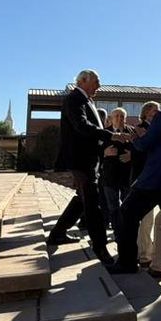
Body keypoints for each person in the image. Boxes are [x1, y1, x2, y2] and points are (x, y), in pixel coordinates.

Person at [107, 88, 161, 291]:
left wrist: (134, 138)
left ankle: (127, 262)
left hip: (156, 180)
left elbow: (146, 144)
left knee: (126, 213)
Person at [47, 70, 119, 264]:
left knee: (82, 198)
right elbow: (81, 125)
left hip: (88, 160)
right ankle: (100, 248)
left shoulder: (87, 100)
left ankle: (57, 234)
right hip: (79, 160)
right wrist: (110, 135)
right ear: (83, 81)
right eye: (96, 81)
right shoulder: (74, 98)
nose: (99, 86)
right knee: (92, 202)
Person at [129, 101, 160, 268]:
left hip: (155, 180)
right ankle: (144, 256)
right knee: (146, 220)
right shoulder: (140, 128)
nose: (158, 113)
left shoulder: (155, 129)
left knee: (151, 221)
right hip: (144, 179)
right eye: (155, 110)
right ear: (146, 112)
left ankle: (147, 250)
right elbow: (139, 153)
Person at [100, 108, 134, 232]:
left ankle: (125, 229)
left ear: (125, 119)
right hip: (110, 175)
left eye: (122, 116)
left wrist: (132, 155)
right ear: (111, 118)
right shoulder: (104, 133)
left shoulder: (132, 132)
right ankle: (117, 230)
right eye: (117, 116)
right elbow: (94, 151)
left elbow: (141, 149)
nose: (120, 119)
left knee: (127, 205)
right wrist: (104, 152)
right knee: (113, 206)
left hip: (127, 175)